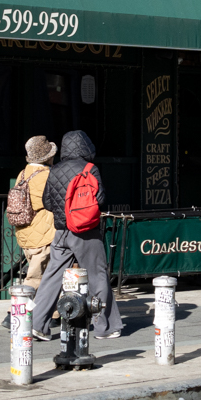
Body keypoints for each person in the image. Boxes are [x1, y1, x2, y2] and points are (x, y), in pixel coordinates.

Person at [30, 130, 123, 341]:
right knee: (98, 276)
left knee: (52, 277)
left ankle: (37, 325)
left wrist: (64, 215)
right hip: (85, 233)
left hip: (61, 232)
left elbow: (47, 202)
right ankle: (104, 327)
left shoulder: (55, 169)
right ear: (86, 147)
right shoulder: (91, 169)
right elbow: (99, 199)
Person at [1, 136, 57, 330]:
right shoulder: (46, 176)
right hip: (43, 233)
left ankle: (54, 313)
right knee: (35, 276)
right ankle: (14, 313)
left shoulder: (24, 173)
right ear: (47, 157)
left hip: (26, 232)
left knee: (51, 273)